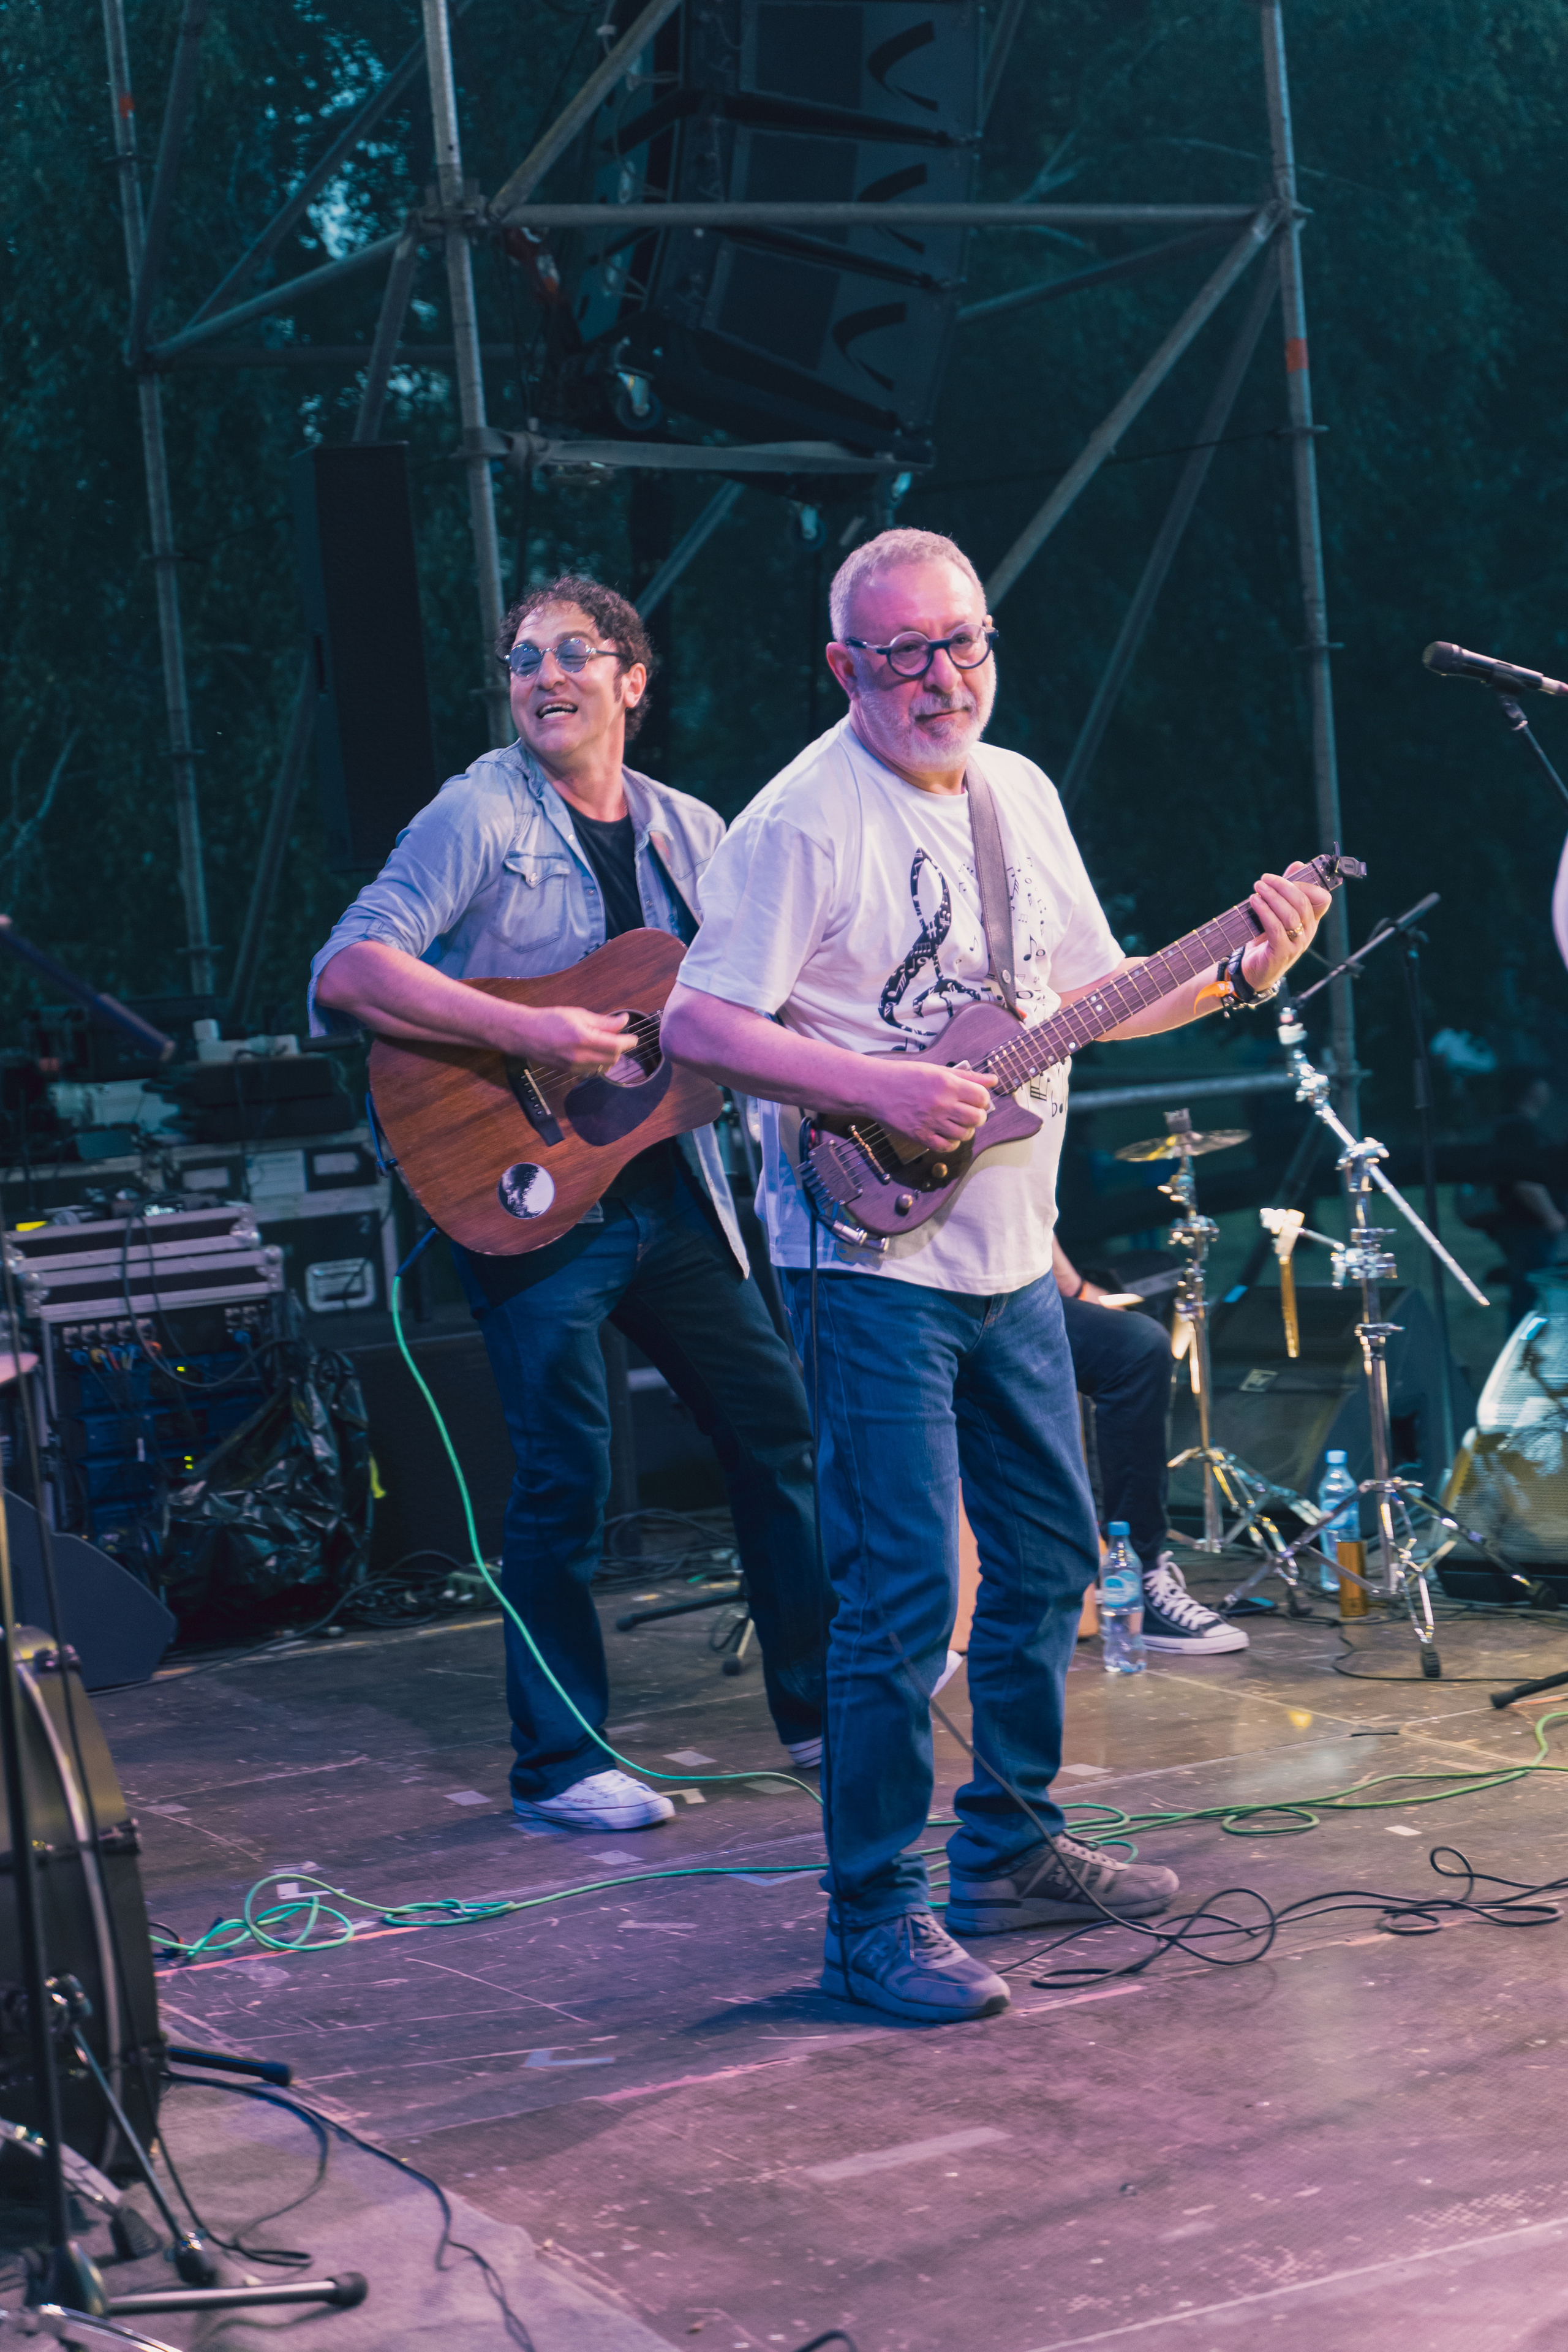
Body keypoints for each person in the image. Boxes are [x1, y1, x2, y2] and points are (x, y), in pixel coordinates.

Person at [662, 526, 1328, 2023]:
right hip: (861, 1252)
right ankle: (869, 1917)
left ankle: (1012, 1848)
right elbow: (699, 1030)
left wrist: (1239, 969)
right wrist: (880, 1088)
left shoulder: (1015, 791)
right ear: (845, 666)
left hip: (1011, 1255)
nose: (939, 675)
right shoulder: (797, 822)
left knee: (1042, 1563)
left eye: (960, 642)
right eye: (902, 652)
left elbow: (1087, 1004)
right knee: (900, 1594)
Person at [310, 574, 828, 1834]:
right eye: (521, 660)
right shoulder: (480, 809)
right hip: (524, 1184)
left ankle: (820, 1715)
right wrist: (528, 1030)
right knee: (564, 1470)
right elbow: (348, 968)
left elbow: (743, 1003)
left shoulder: (692, 833)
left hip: (668, 1192)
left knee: (775, 1430)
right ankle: (556, 1767)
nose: (542, 678)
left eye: (571, 655)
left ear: (631, 683)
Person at [1050, 1235, 1246, 1656]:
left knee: (1137, 1346)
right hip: (912, 1293)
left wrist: (1072, 1286)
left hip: (1012, 1294)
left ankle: (1134, 1576)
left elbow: (1017, 1193)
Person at [1491, 1071, 1566, 1327]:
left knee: (1535, 1292)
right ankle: (1527, 1355)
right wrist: (1550, 1215)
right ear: (1532, 1089)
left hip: (1532, 1227)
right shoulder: (1517, 1129)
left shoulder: (1526, 1127)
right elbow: (1525, 1180)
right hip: (1527, 1226)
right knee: (1531, 1294)